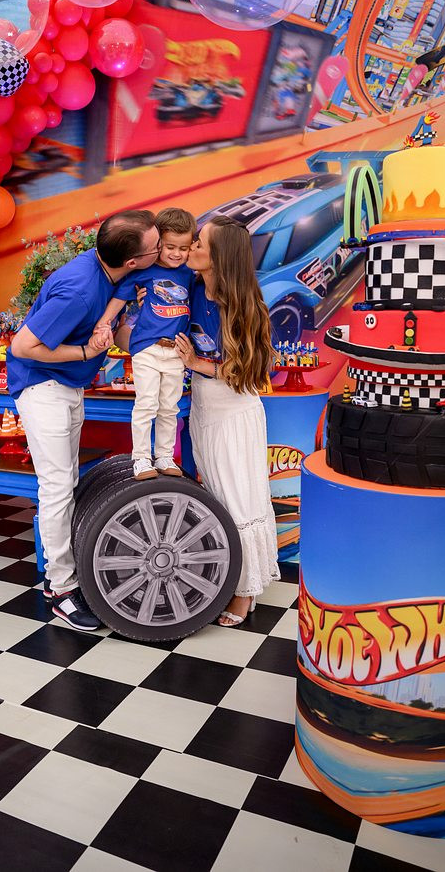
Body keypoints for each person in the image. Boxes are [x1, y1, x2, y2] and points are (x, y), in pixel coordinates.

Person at [7, 210, 160, 631]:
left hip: (67, 386)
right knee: (56, 489)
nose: (162, 249)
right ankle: (60, 588)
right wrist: (85, 353)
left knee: (67, 482)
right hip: (42, 387)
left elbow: (121, 312)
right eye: (156, 247)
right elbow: (22, 346)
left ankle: (67, 574)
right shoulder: (77, 290)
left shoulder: (112, 272)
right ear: (133, 260)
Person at [174, 215, 280, 626]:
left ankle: (245, 590)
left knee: (239, 500)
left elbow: (251, 373)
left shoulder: (244, 304)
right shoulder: (191, 287)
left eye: (199, 243)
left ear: (219, 256)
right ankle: (232, 577)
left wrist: (195, 362)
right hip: (203, 408)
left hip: (235, 413)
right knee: (217, 496)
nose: (191, 248)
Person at [94, 208, 196, 480]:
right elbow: (119, 299)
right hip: (147, 348)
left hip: (176, 351)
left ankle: (164, 456)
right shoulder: (144, 273)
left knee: (169, 407)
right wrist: (104, 322)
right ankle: (141, 458)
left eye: (183, 248)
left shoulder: (188, 274)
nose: (176, 254)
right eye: (170, 247)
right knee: (146, 404)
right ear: (158, 244)